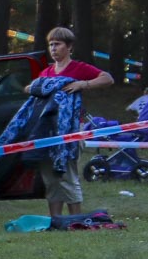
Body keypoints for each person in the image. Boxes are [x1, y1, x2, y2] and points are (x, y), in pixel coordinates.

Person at [27, 26, 113, 218]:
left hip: (71, 130)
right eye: (50, 45)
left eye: (57, 44)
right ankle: (56, 220)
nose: (53, 48)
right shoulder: (46, 72)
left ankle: (75, 219)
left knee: (67, 174)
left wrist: (84, 84)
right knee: (50, 177)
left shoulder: (79, 68)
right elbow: (31, 88)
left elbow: (107, 79)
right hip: (48, 130)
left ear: (69, 47)